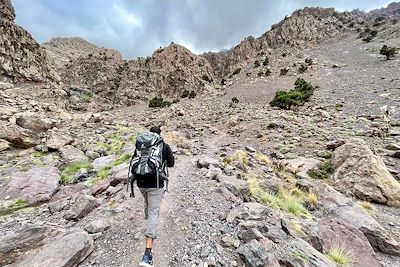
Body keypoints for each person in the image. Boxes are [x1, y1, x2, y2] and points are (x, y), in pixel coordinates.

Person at [131, 126, 175, 267]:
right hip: (156, 184)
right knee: (153, 213)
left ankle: (148, 219)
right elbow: (172, 163)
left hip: (140, 183)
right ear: (159, 135)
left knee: (147, 201)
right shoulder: (163, 145)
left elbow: (134, 161)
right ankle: (147, 255)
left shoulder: (140, 145)